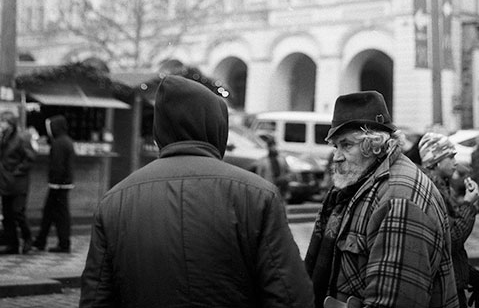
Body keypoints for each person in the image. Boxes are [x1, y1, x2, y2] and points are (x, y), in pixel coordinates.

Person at [79, 75, 314, 308]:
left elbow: (96, 298)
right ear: (217, 128)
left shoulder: (115, 201)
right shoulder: (258, 195)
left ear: (160, 130)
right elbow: (290, 296)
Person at [305, 90, 459, 308]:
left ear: (374, 144)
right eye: (336, 146)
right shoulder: (357, 185)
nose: (336, 157)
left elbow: (394, 302)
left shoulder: (399, 199)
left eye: (347, 145)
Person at [418, 131, 479, 308]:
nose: (456, 162)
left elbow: (453, 254)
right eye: (451, 156)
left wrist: (477, 279)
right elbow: (451, 241)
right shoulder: (432, 192)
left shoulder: (442, 186)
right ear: (436, 161)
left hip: (451, 283)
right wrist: (469, 204)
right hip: (443, 290)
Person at [32, 114, 75, 253]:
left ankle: (63, 243)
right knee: (50, 212)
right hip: (64, 183)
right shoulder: (66, 141)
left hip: (58, 184)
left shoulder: (59, 143)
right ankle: (42, 240)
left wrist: (54, 181)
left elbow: (57, 165)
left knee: (58, 214)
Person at [0, 111, 36, 255]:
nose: (1, 124)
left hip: (18, 182)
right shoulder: (3, 138)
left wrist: (17, 171)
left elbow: (30, 157)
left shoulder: (21, 138)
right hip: (5, 182)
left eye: (3, 122)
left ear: (11, 124)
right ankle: (12, 244)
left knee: (18, 213)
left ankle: (28, 239)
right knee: (7, 215)